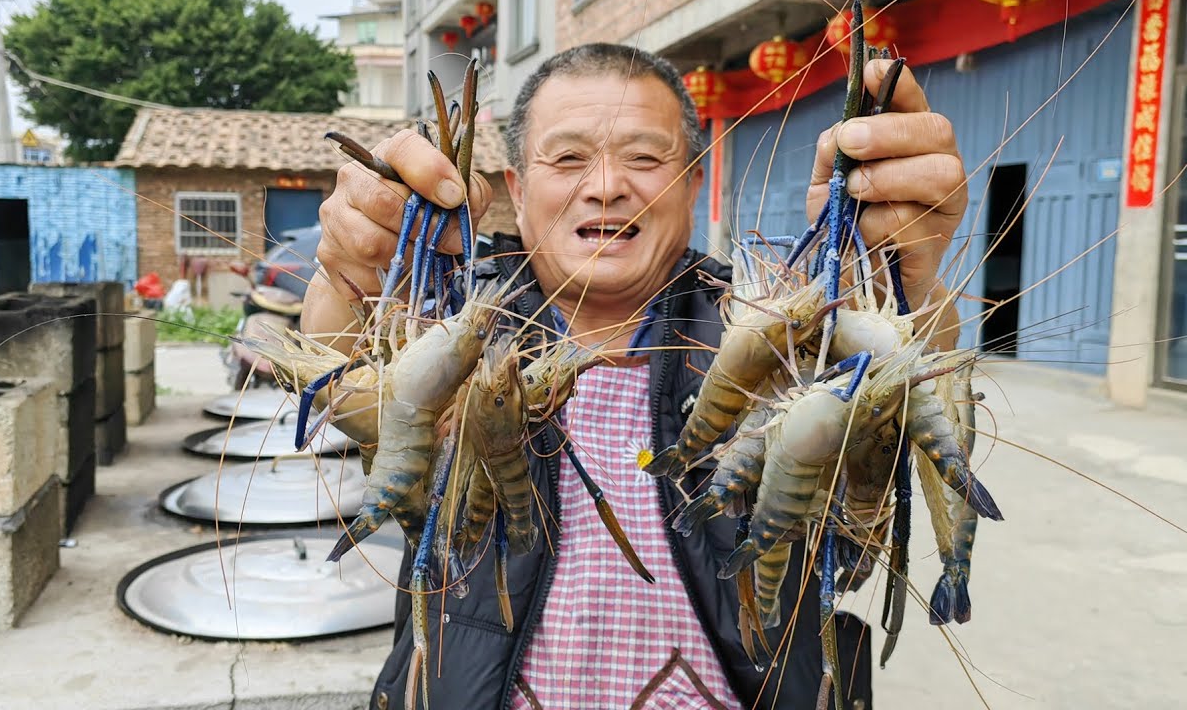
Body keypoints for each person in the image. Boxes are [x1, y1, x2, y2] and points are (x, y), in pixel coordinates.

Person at [303, 43, 967, 710]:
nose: (605, 185)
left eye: (645, 158)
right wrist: (345, 274)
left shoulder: (771, 324)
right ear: (517, 189)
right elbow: (338, 358)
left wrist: (898, 284)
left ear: (694, 182)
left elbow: (860, 517)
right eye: (568, 158)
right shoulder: (449, 311)